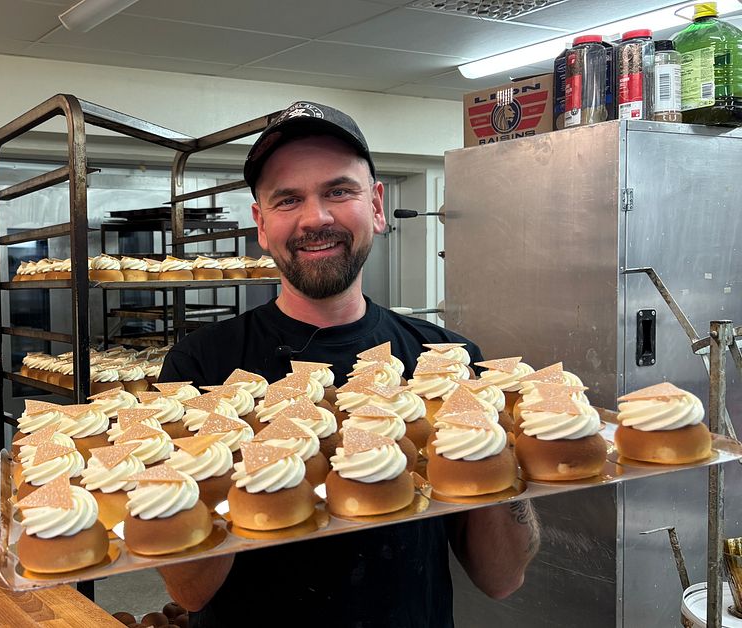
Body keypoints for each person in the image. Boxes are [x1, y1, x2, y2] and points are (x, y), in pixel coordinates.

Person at [156, 101, 539, 627]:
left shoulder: (445, 361)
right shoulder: (201, 366)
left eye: (339, 191)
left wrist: (496, 449)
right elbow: (191, 591)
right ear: (261, 225)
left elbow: (502, 578)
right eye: (288, 199)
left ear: (377, 206)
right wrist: (233, 455)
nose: (316, 218)